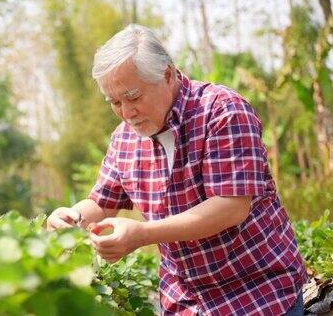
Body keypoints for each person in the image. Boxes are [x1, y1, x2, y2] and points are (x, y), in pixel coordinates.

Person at [46, 24, 307, 316]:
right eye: (115, 102)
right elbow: (101, 202)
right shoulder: (124, 138)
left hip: (257, 294)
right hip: (186, 303)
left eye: (133, 97)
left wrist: (142, 234)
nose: (126, 112)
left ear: (167, 75)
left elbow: (231, 206)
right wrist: (74, 217)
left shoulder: (222, 111)